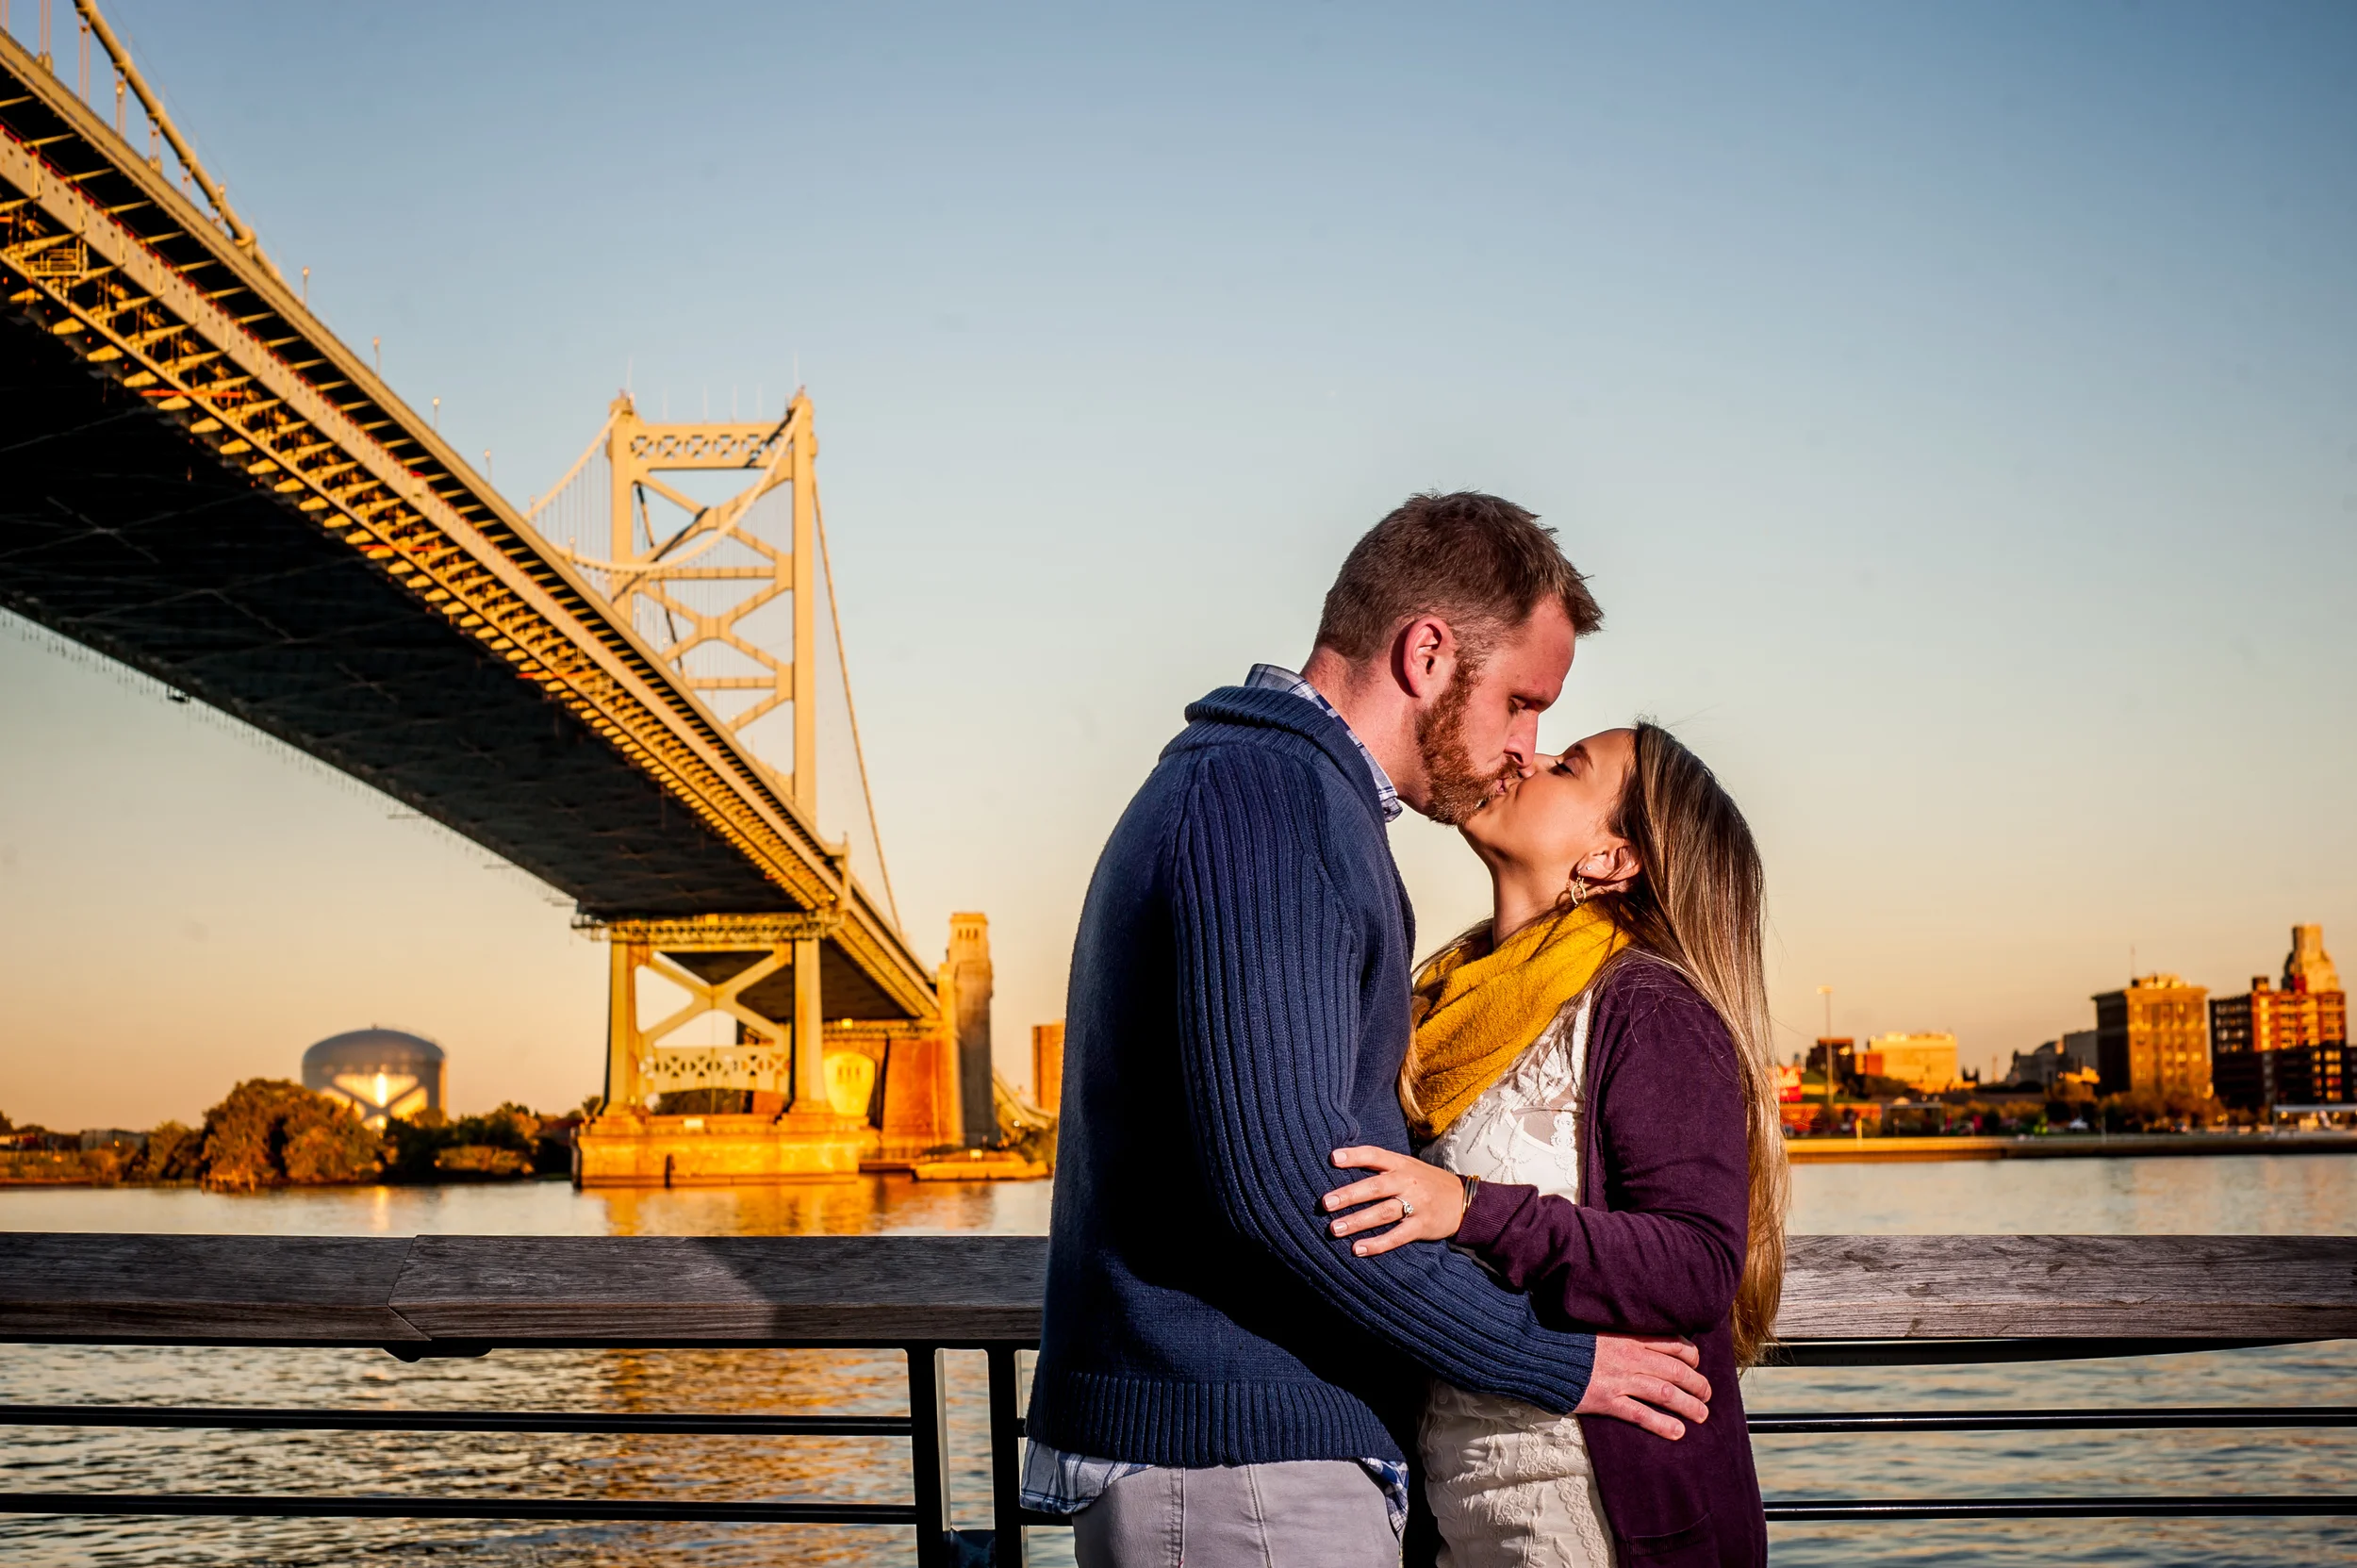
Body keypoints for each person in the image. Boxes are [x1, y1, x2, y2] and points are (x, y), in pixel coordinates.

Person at [1025, 494, 1715, 1568]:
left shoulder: (1289, 798)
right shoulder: (1269, 805)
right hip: (1241, 1456)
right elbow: (1288, 1189)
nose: (1526, 747)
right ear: (1427, 653)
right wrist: (1554, 1361)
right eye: (1522, 703)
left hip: (1258, 1453)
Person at [1323, 722, 1788, 1566]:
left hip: (1596, 1507)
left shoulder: (1648, 1005)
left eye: (1567, 766)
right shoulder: (1442, 1004)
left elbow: (1696, 1263)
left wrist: (1471, 1209)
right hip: (1453, 1497)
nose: (1525, 757)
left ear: (1611, 858)